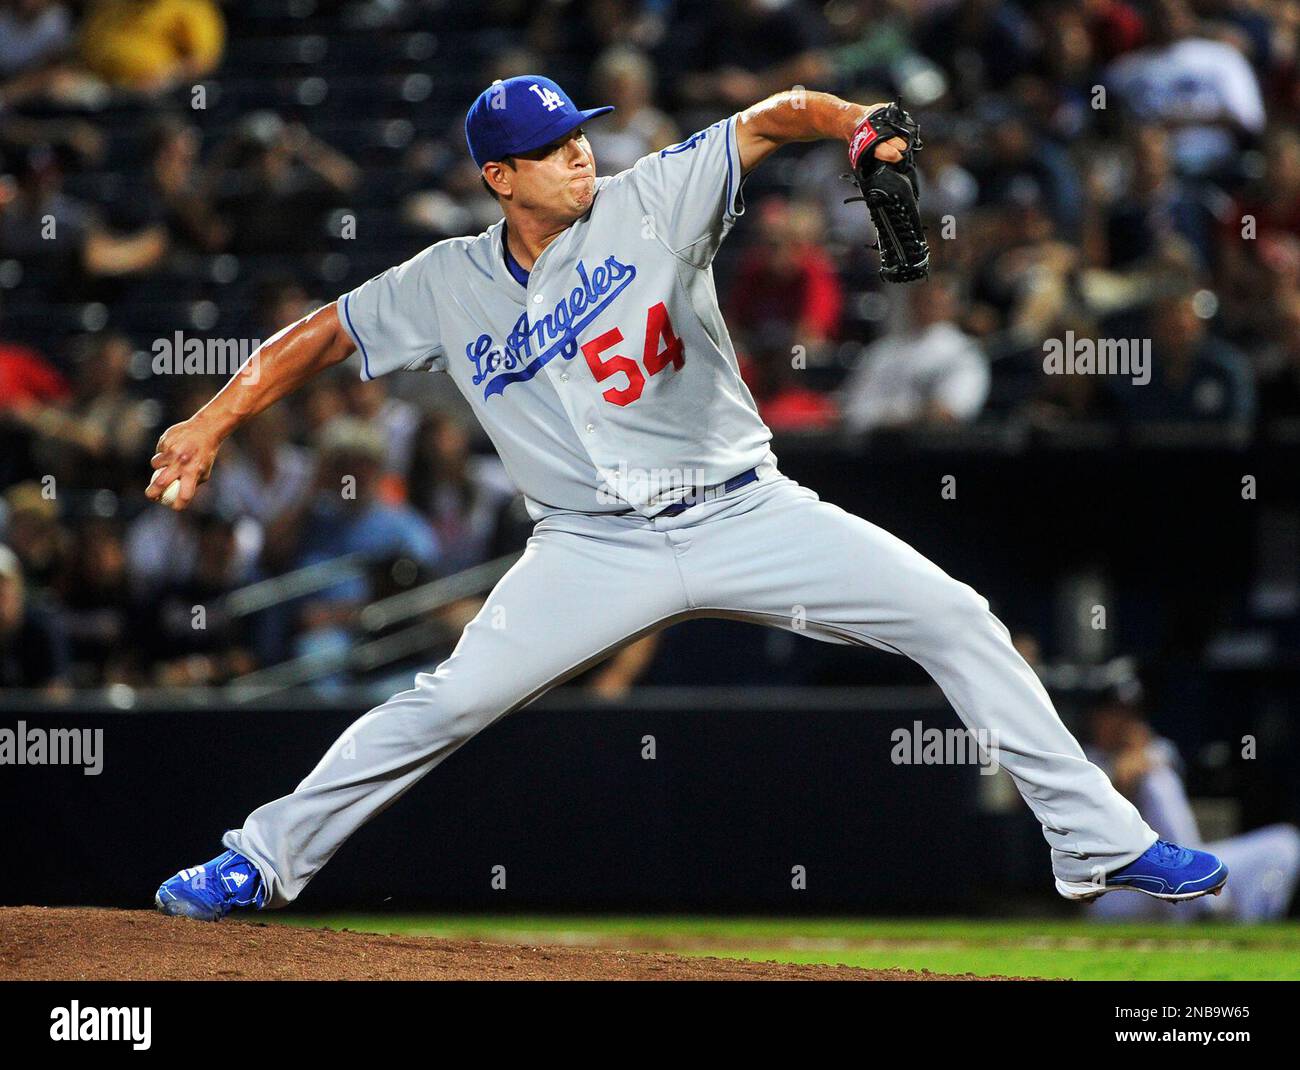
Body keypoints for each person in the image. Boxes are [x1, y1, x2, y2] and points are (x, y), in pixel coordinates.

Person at [149, 75, 1226, 920]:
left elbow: (776, 117)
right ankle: (257, 861)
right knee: (442, 702)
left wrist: (856, 123)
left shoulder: (655, 195)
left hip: (743, 508)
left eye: (581, 133)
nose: (580, 152)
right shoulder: (444, 280)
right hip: (585, 548)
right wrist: (209, 420)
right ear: (498, 178)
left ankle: (1095, 839)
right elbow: (323, 334)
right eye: (553, 146)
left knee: (955, 615)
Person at [1085, 692, 1300, 923]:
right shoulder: (1082, 759)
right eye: (1116, 714)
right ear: (1095, 718)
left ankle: (1243, 928)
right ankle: (1202, 900)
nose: (1125, 723)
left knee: (1284, 844)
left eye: (1131, 715)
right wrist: (1122, 776)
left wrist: (1139, 758)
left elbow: (1160, 759)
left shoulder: (1155, 751)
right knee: (1157, 783)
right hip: (1116, 889)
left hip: (1176, 880)